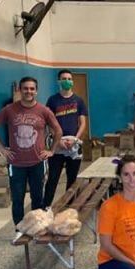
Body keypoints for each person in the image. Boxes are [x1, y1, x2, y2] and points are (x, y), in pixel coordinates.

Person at [0, 76, 62, 225]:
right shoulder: (9, 110)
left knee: (37, 198)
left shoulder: (44, 111)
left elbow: (58, 131)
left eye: (32, 89)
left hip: (37, 162)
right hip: (16, 164)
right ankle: (19, 230)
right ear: (20, 90)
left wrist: (51, 150)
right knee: (17, 199)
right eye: (25, 89)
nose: (29, 91)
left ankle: (36, 227)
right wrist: (2, 149)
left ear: (36, 91)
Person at [43, 69, 88, 208]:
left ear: (72, 81)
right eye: (64, 78)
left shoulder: (79, 101)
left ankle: (69, 206)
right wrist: (58, 140)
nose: (67, 81)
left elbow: (83, 123)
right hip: (58, 144)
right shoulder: (52, 100)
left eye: (69, 78)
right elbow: (49, 122)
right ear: (59, 81)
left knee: (72, 179)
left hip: (74, 145)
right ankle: (46, 207)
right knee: (53, 178)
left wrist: (75, 139)